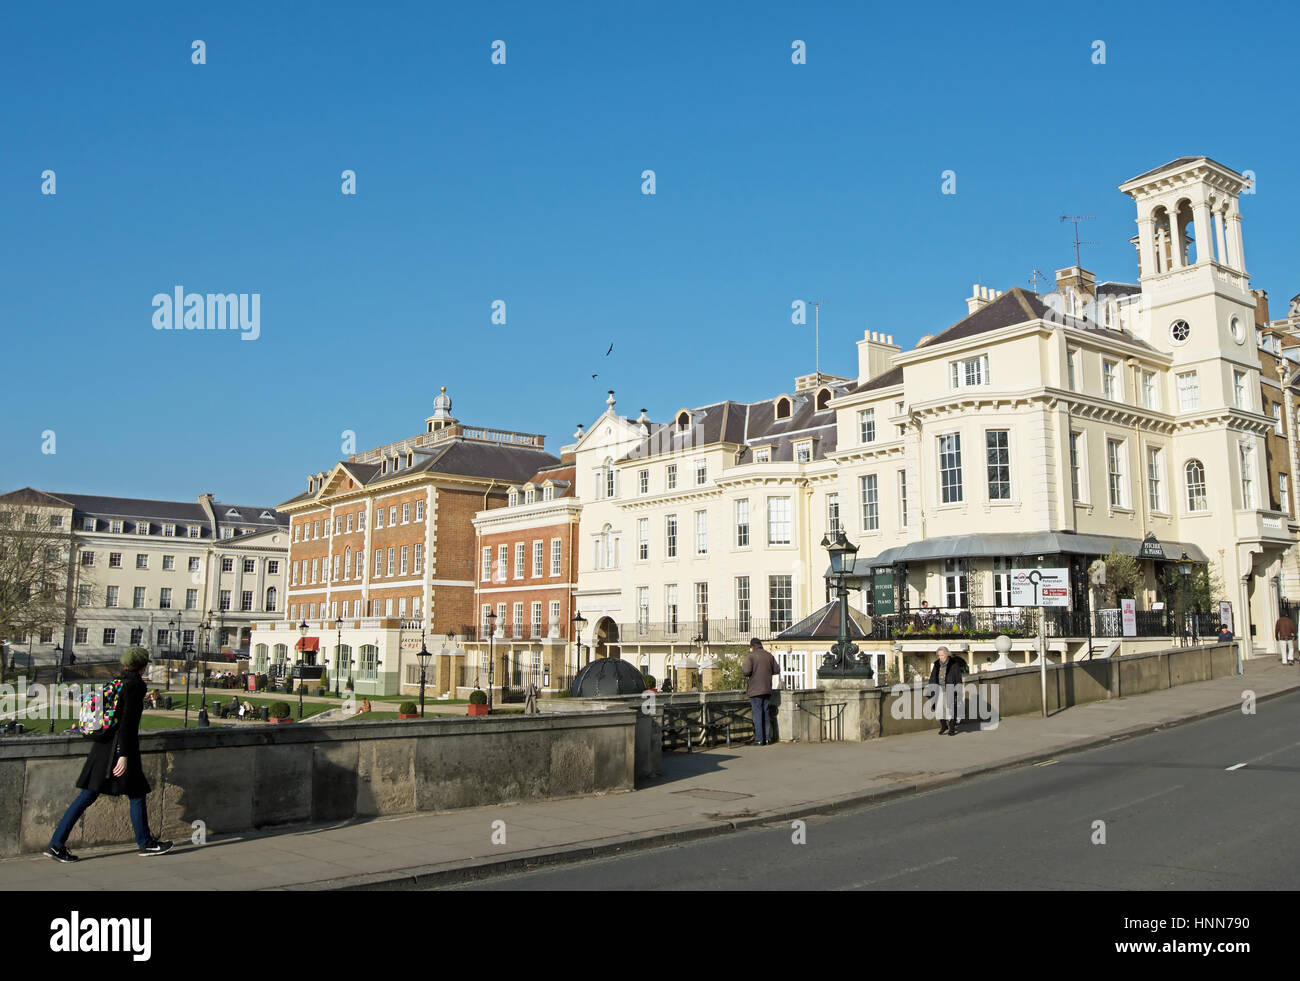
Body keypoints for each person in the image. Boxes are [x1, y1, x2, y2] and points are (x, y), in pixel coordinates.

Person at [45, 647, 173, 862]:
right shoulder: (136, 685)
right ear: (143, 666)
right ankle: (146, 843)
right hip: (118, 748)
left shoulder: (117, 681)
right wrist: (124, 754)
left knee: (87, 796)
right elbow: (128, 724)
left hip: (102, 746)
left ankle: (56, 845)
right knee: (136, 794)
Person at [741, 637, 781, 746]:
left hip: (755, 690)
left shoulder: (751, 656)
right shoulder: (769, 655)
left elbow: (746, 671)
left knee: (757, 714)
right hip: (767, 689)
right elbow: (777, 670)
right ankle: (767, 739)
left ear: (752, 646)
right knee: (766, 713)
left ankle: (759, 739)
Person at [928, 645, 966, 736]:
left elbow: (958, 678)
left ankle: (952, 728)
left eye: (942, 655)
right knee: (939, 709)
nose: (940, 657)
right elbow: (932, 677)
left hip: (950, 689)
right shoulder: (936, 664)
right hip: (939, 690)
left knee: (951, 709)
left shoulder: (954, 664)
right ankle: (944, 726)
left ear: (946, 654)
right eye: (939, 655)